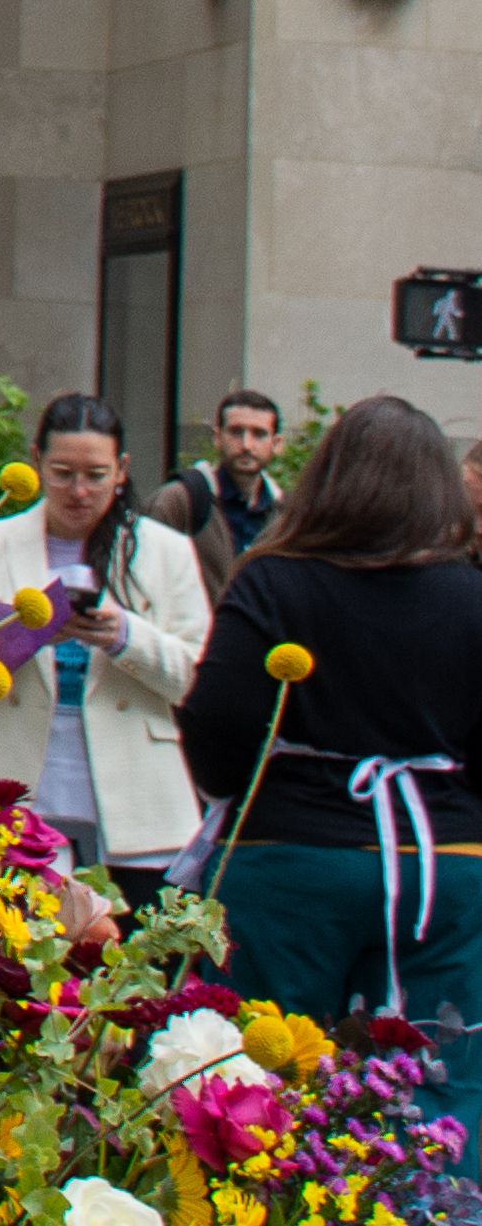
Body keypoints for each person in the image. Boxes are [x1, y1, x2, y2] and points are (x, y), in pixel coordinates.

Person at [174, 392, 482, 1141]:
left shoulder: (271, 581)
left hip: (290, 861)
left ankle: (258, 1214)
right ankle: (437, 1212)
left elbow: (218, 724)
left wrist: (243, 791)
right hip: (443, 868)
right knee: (443, 1090)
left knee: (257, 1082)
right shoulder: (473, 595)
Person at [0, 394, 210, 888]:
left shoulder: (166, 551)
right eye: (63, 473)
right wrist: (26, 633)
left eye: (96, 475)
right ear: (37, 461)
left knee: (135, 933)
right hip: (15, 770)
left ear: (122, 470)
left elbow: (195, 678)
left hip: (137, 793)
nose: (79, 491)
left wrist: (126, 637)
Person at [155, 386, 288, 602]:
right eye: (236, 432)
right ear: (217, 437)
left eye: (259, 434)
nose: (246, 445)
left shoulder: (285, 514)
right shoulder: (181, 499)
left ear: (277, 444)